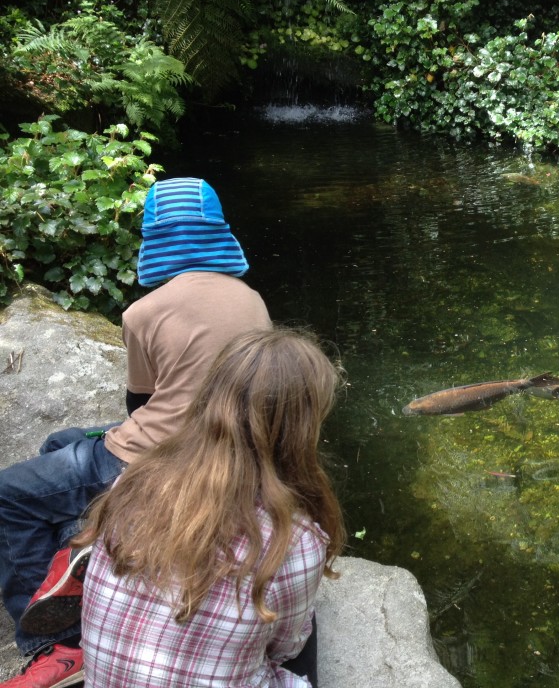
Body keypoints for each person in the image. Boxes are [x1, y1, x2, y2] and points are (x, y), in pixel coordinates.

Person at [0, 178, 272, 688]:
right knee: (62, 443)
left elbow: (139, 407)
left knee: (9, 493)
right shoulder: (251, 299)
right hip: (227, 449)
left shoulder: (143, 312)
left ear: (154, 240)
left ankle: (55, 645)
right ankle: (80, 544)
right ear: (218, 234)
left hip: (156, 456)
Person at [77, 328, 345, 687]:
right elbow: (284, 649)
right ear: (301, 430)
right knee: (306, 628)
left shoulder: (133, 481)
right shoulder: (296, 540)